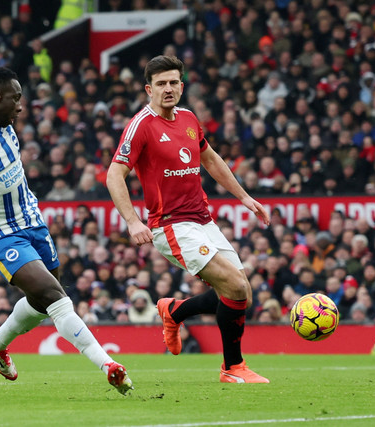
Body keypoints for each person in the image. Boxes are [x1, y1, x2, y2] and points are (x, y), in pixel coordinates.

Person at [0, 67, 132, 394]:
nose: (20, 106)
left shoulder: (6, 126)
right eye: (16, 98)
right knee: (55, 295)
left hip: (31, 220)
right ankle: (108, 364)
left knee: (42, 300)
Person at [107, 55, 270, 384]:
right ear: (148, 89)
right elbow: (114, 174)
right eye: (161, 84)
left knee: (242, 295)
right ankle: (232, 367)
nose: (168, 89)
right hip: (170, 226)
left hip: (203, 220)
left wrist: (244, 197)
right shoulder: (141, 125)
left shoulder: (189, 118)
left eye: (173, 83)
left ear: (181, 86)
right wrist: (132, 221)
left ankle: (175, 311)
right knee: (235, 286)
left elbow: (210, 158)